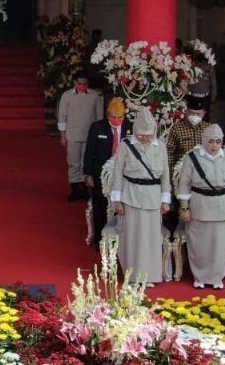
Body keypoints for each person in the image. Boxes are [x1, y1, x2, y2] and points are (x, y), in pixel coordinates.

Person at [176, 124, 225, 290]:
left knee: (221, 245)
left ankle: (217, 277)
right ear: (204, 141)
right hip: (200, 206)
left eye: (218, 142)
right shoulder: (192, 158)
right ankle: (199, 277)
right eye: (211, 141)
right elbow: (183, 185)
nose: (214, 145)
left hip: (224, 207)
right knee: (200, 244)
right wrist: (185, 208)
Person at [111, 110, 171, 287]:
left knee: (151, 238)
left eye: (148, 135)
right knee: (132, 237)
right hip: (131, 195)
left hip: (153, 196)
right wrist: (118, 200)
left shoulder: (160, 146)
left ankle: (149, 276)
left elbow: (165, 174)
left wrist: (166, 199)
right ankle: (132, 275)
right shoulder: (125, 145)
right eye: (141, 135)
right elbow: (117, 173)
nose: (144, 138)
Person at [83, 98, 131, 248]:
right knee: (100, 205)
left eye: (120, 117)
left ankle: (121, 240)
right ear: (107, 115)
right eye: (114, 117)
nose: (117, 120)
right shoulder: (97, 127)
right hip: (101, 174)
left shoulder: (131, 128)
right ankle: (100, 239)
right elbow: (89, 151)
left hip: (124, 174)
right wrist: (88, 173)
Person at [58, 70, 103, 201]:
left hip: (89, 135)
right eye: (80, 83)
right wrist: (62, 135)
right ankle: (74, 188)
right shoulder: (67, 96)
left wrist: (98, 136)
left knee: (86, 163)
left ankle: (84, 188)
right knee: (73, 162)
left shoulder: (94, 96)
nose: (82, 86)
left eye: (85, 84)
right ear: (74, 83)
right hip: (72, 134)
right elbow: (62, 116)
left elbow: (99, 116)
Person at [167, 96, 212, 176]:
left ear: (204, 113)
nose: (195, 116)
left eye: (198, 113)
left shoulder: (209, 129)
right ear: (186, 111)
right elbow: (170, 153)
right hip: (182, 172)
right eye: (192, 113)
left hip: (204, 172)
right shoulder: (177, 128)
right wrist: (171, 175)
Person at [186, 51, 218, 118]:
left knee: (204, 120)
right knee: (191, 120)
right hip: (191, 98)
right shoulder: (189, 65)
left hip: (204, 99)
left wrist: (212, 101)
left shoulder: (210, 67)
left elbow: (213, 85)